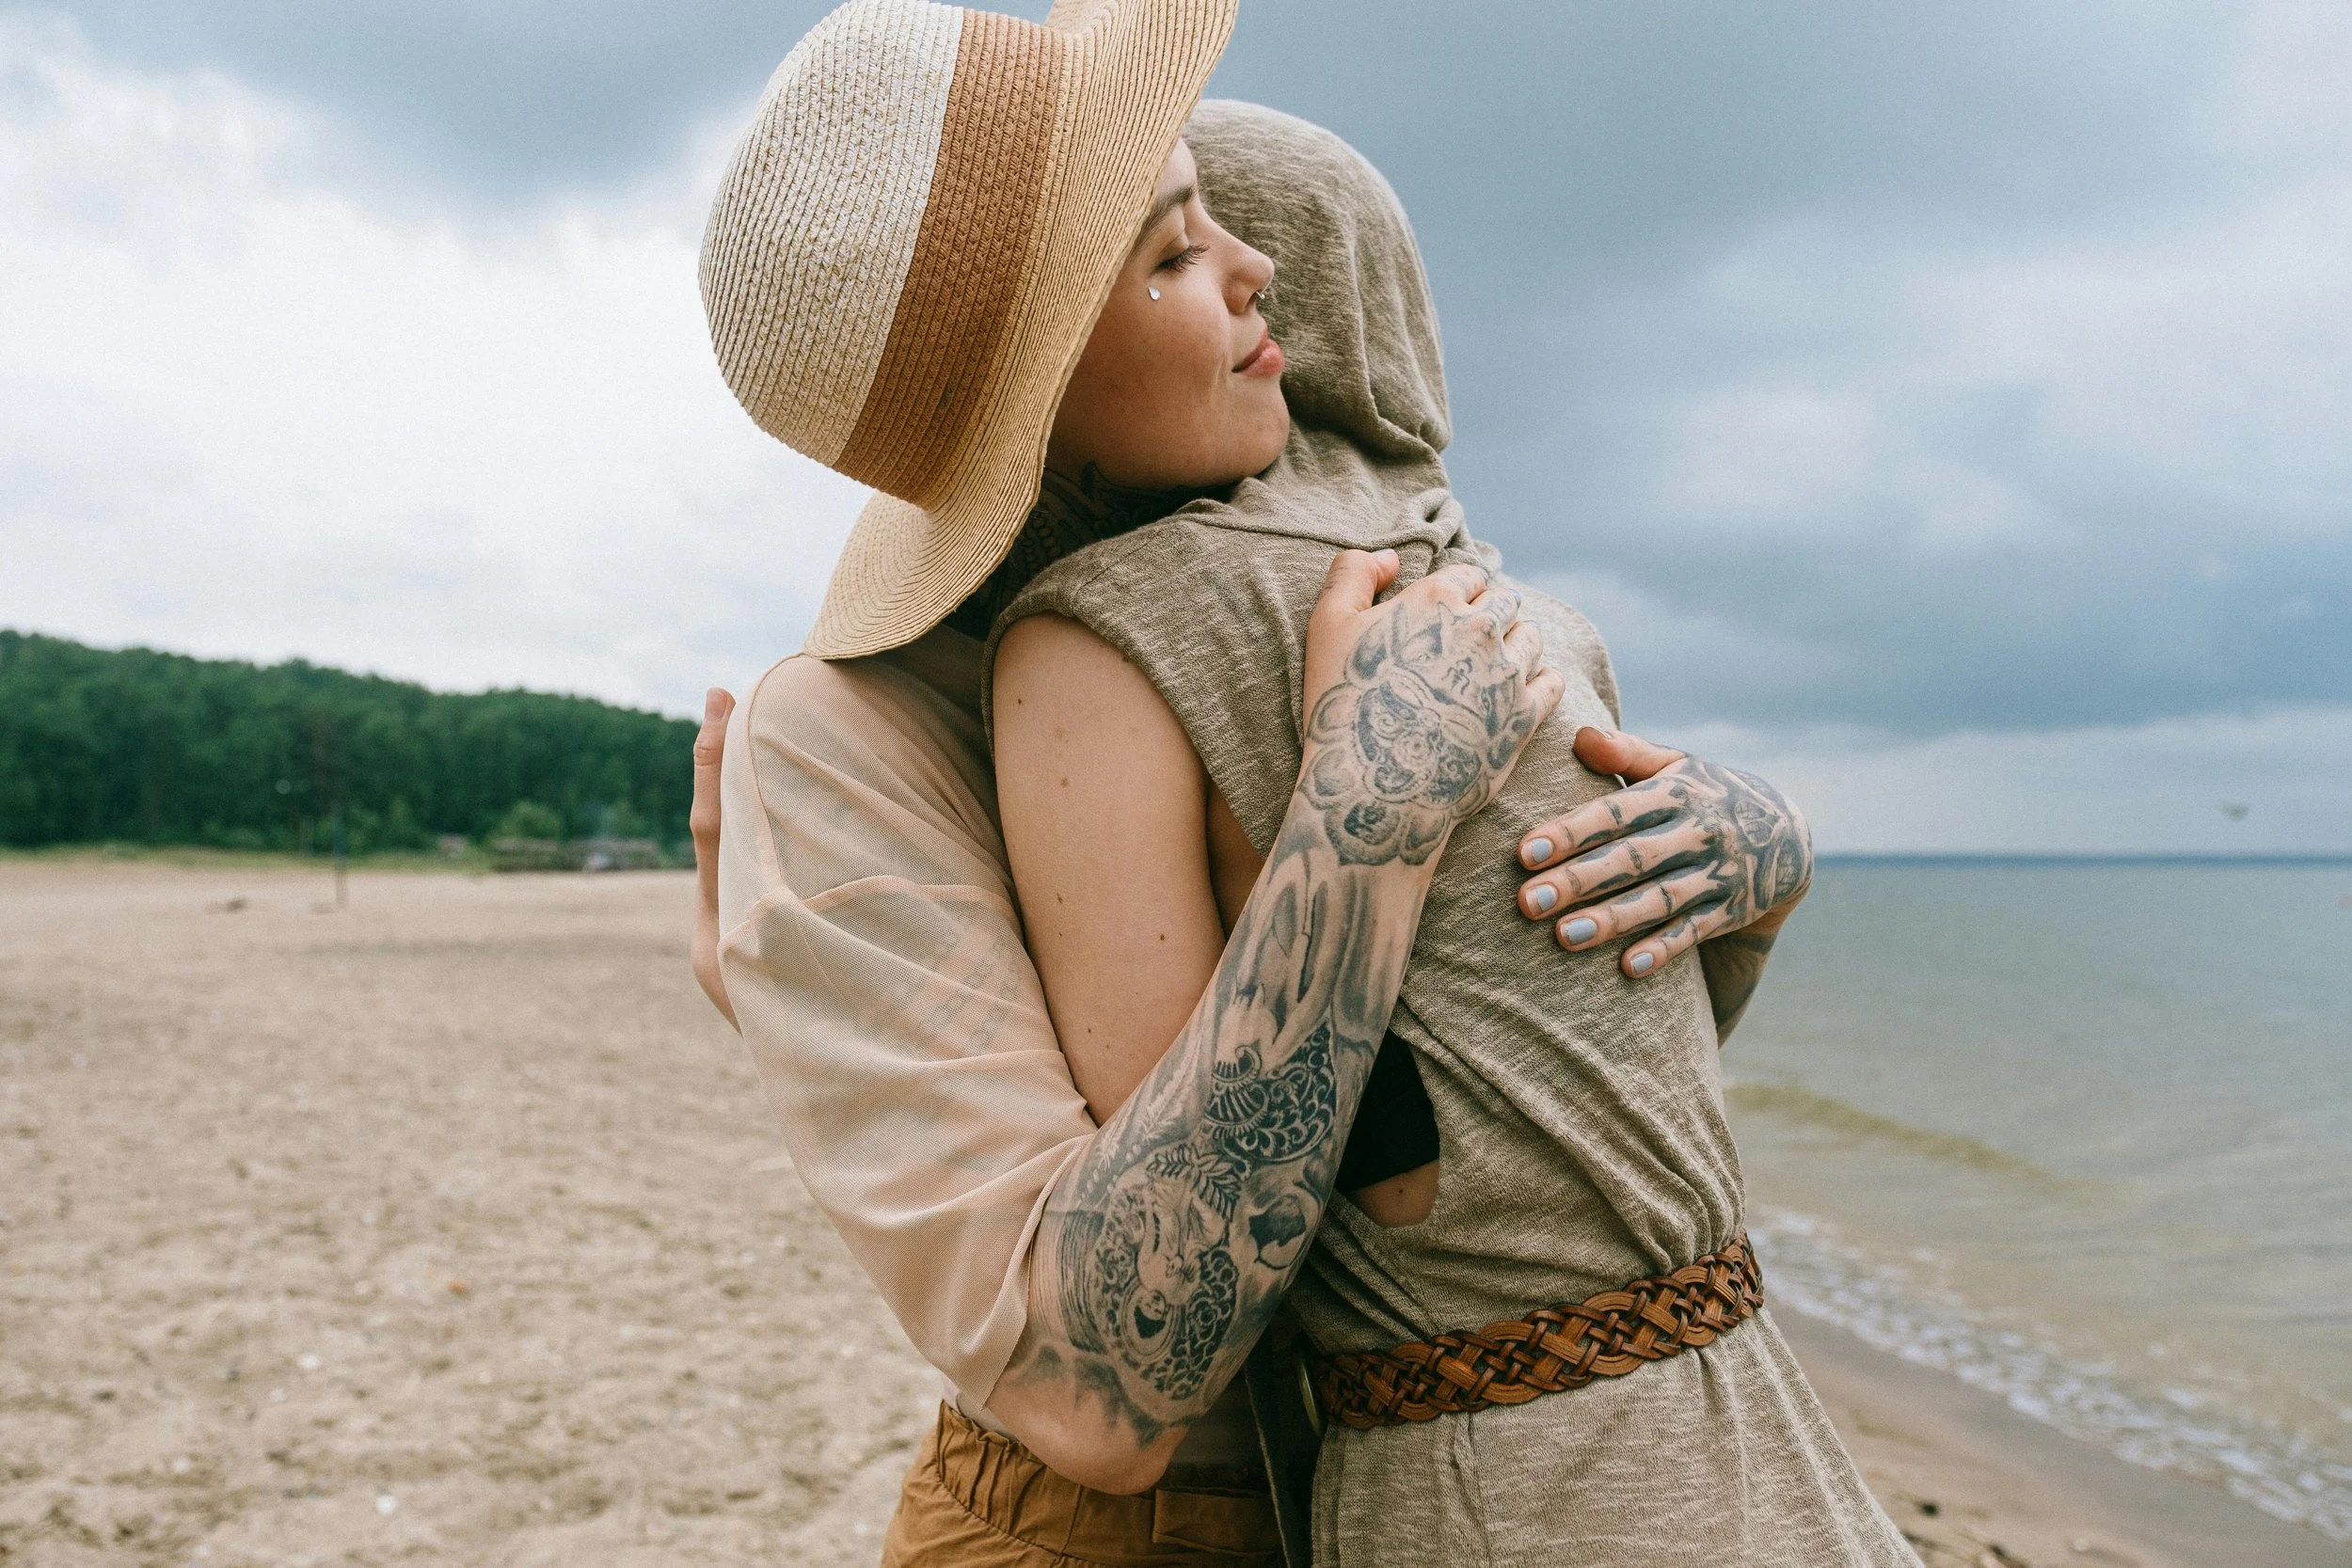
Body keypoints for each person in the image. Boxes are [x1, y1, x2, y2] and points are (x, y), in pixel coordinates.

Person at [689, 3, 1849, 1563]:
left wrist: (1732, 868)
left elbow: (1491, 1129)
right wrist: (1361, 824)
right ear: (1035, 408)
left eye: (1216, 219)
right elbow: (1105, 1388)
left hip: (1429, 1471)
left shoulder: (1294, 592)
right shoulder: (837, 748)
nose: (1257, 270)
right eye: (1170, 255)